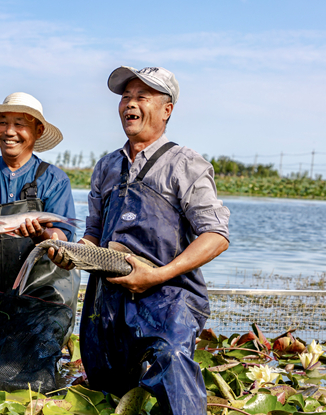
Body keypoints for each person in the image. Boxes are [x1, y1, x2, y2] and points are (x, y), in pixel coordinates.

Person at [49, 66, 230, 414]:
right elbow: (94, 235)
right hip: (108, 302)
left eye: (142, 97)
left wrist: (158, 275)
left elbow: (216, 235)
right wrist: (71, 255)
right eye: (125, 97)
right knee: (107, 390)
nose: (130, 104)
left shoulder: (184, 163)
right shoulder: (106, 167)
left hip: (168, 299)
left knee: (172, 362)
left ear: (167, 109)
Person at [0, 92, 79, 304]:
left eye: (19, 124)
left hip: (42, 299)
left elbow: (62, 239)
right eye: (3, 123)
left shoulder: (55, 179)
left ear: (38, 131)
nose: (9, 131)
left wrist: (40, 235)